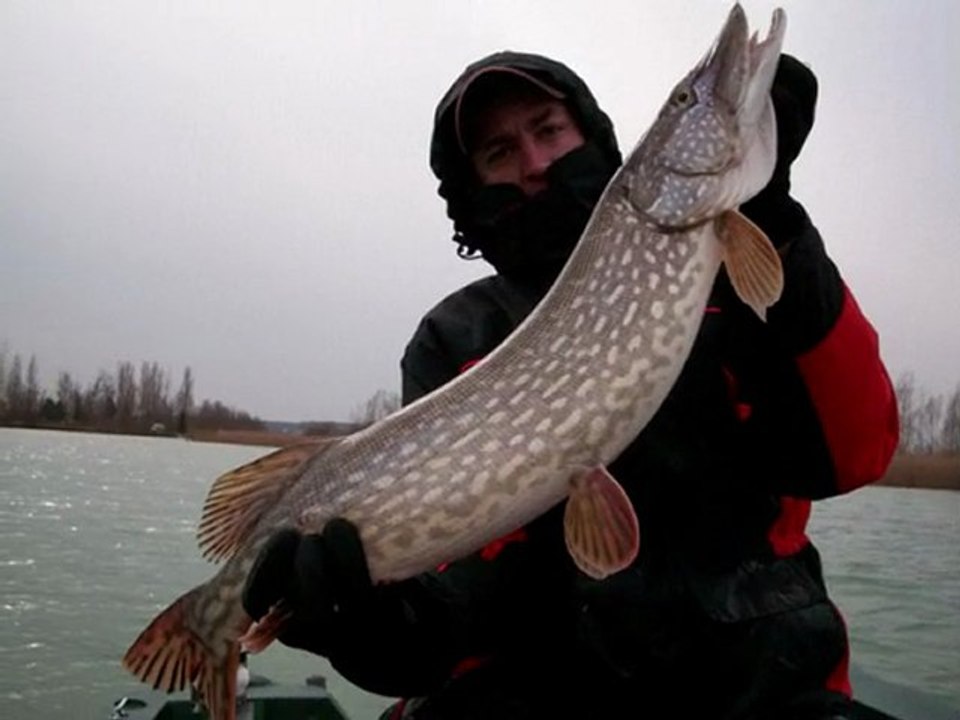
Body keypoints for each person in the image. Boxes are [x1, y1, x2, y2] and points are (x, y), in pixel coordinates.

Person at [243, 51, 899, 719]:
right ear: (472, 187)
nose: (534, 162)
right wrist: (364, 623)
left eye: (549, 129)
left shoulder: (732, 272)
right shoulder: (455, 337)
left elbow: (852, 452)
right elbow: (446, 615)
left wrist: (781, 225)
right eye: (500, 150)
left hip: (756, 687)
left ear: (594, 135)